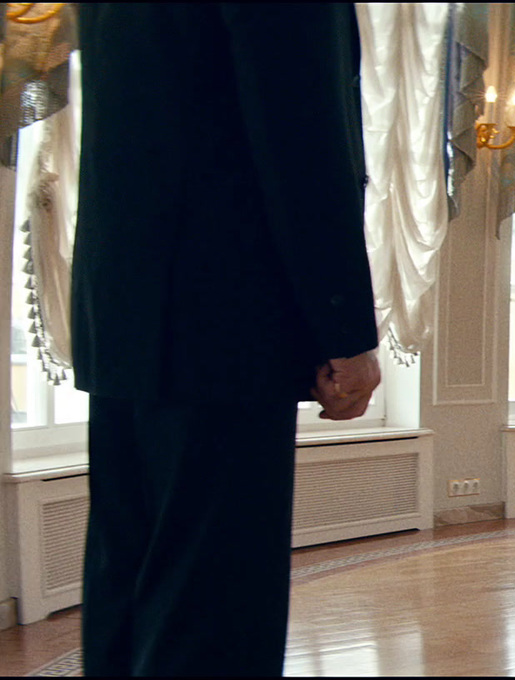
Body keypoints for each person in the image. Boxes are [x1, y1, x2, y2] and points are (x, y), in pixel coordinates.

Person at [73, 5, 380, 676]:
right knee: (214, 619)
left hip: (122, 315)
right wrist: (343, 327)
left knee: (126, 595)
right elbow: (301, 135)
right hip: (228, 325)